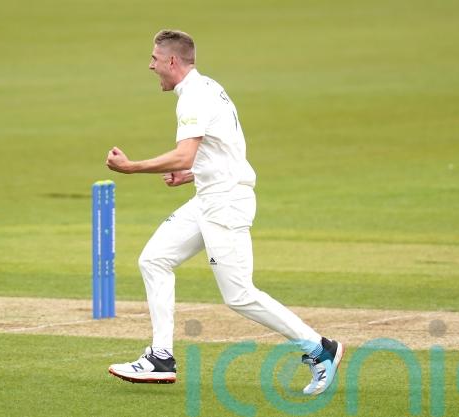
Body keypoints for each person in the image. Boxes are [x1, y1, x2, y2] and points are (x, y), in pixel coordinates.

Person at [105, 29, 343, 395]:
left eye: (154, 59)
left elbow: (184, 153)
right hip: (210, 196)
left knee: (239, 295)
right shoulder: (207, 88)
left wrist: (132, 167)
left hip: (225, 203)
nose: (150, 66)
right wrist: (192, 173)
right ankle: (160, 357)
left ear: (172, 60)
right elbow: (222, 150)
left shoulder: (194, 97)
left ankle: (320, 348)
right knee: (154, 259)